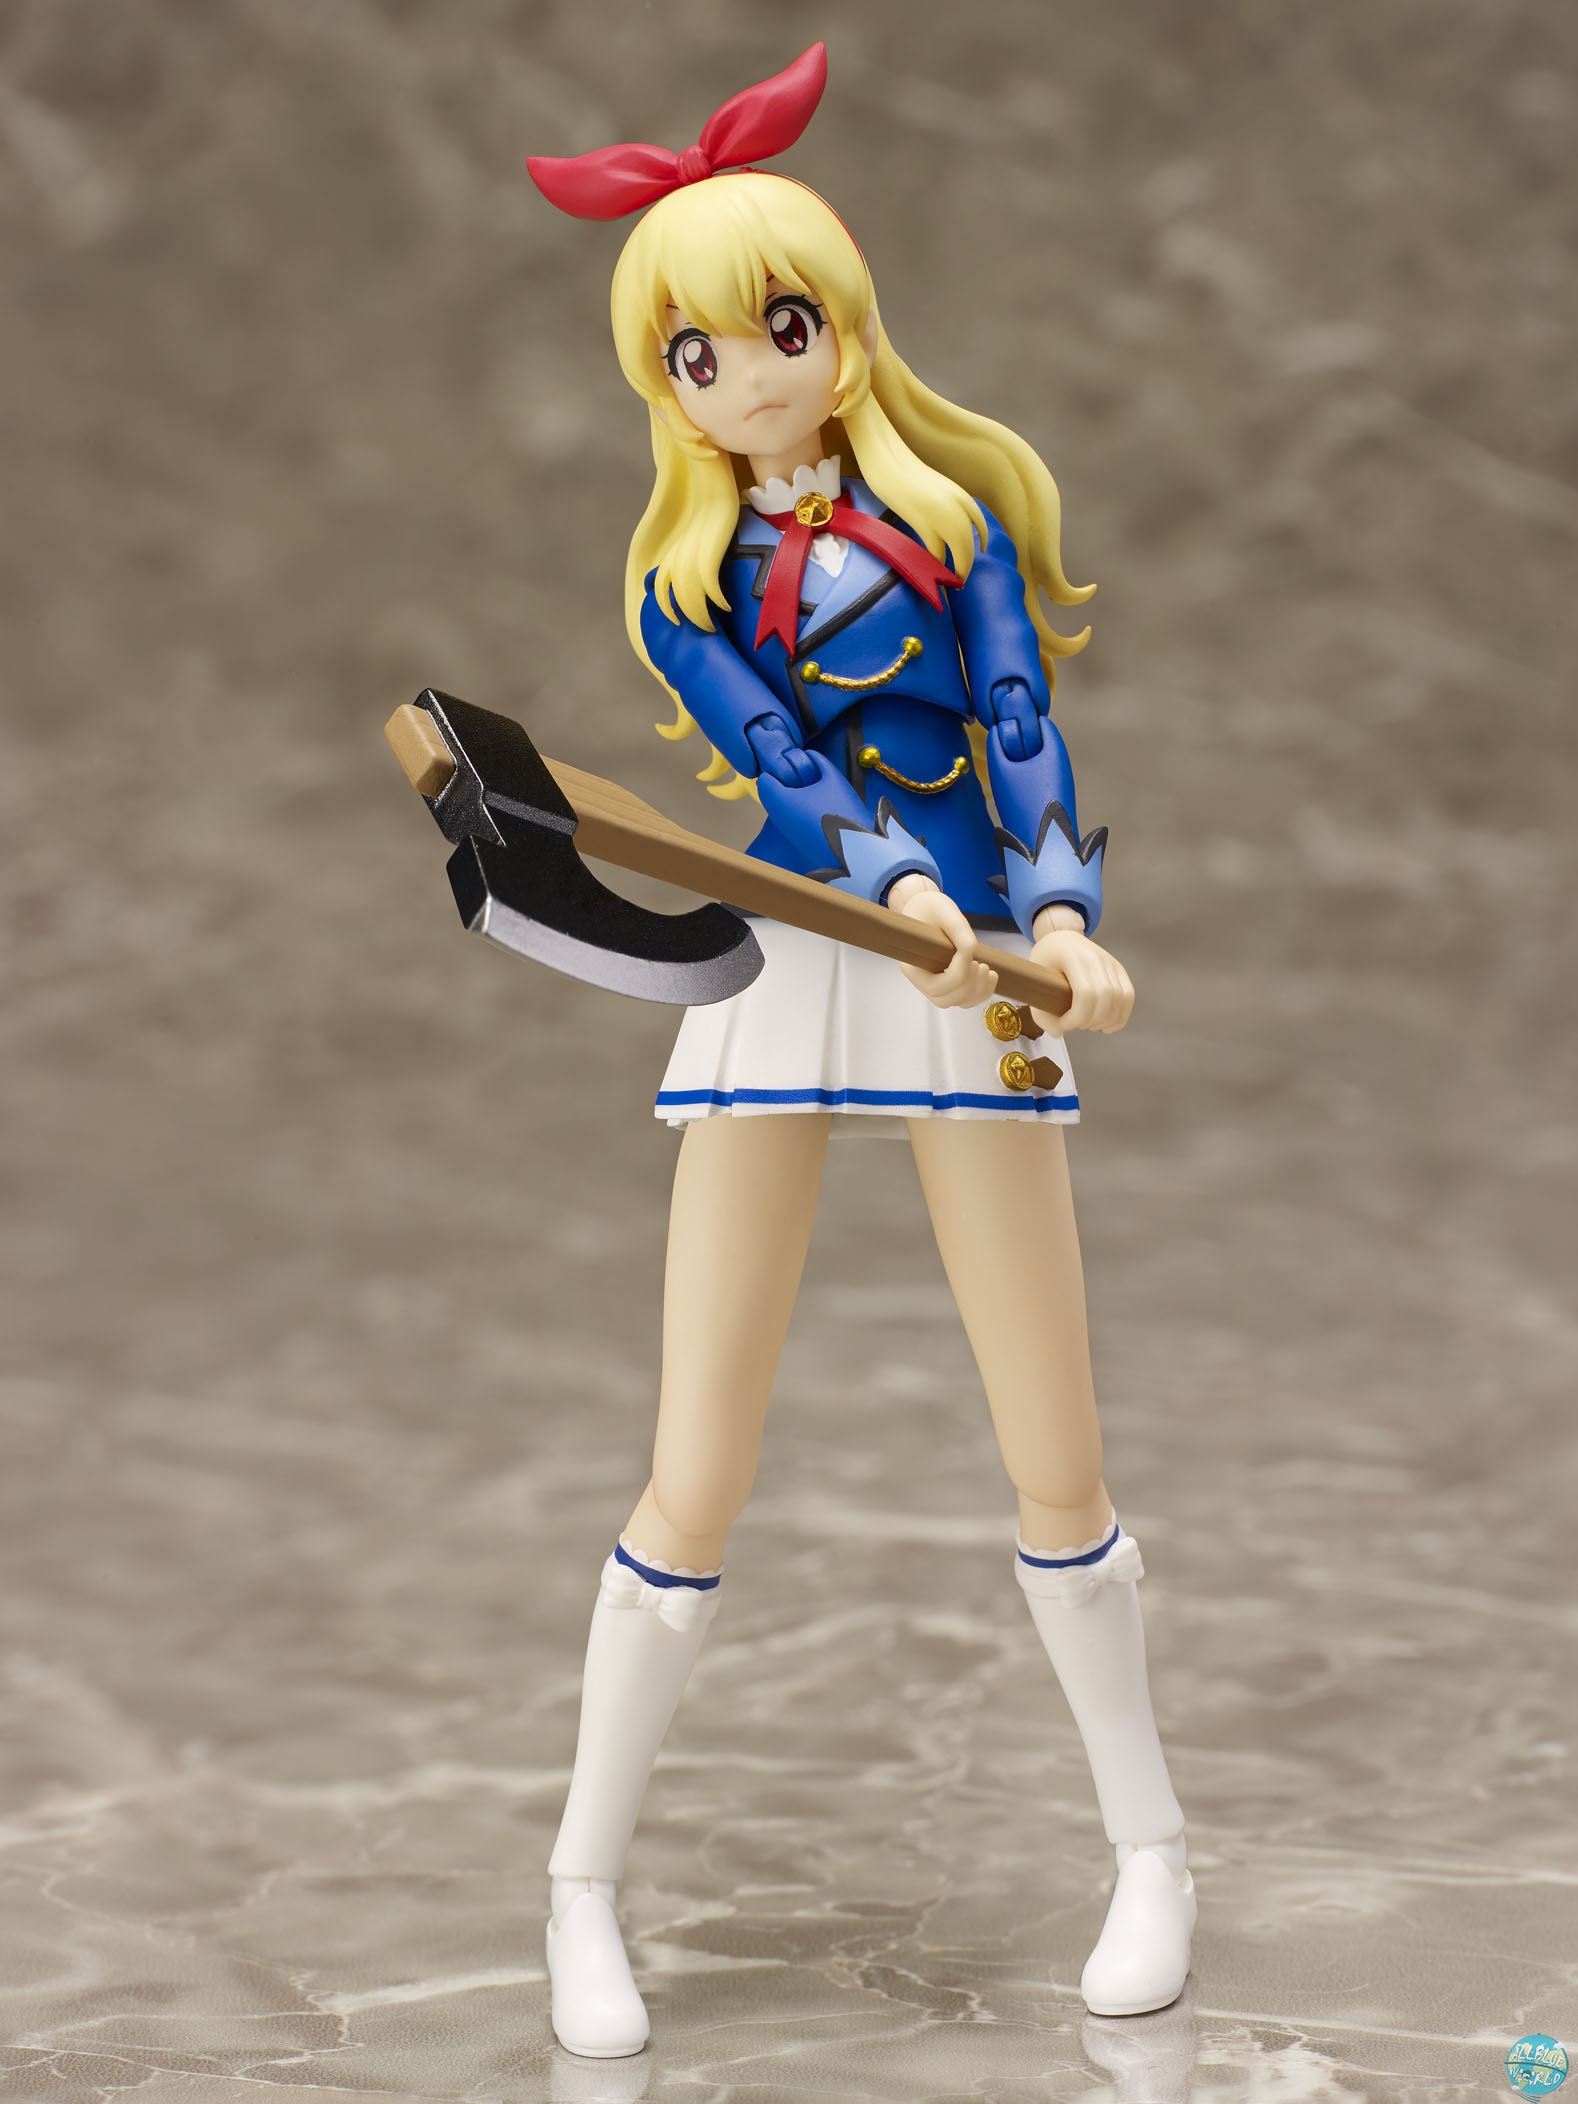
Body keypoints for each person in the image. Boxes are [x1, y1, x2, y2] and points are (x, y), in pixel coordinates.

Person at [525, 45, 1195, 2060]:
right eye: (698, 354)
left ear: (841, 327)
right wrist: (889, 879)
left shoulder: (948, 523)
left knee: (1052, 1443)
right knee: (697, 1459)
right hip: (799, 950)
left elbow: (1022, 722)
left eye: (779, 328)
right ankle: (578, 1881)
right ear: (666, 389)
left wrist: (1053, 914)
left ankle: (1152, 1845)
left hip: (974, 959)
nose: (746, 374)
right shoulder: (683, 583)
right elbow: (777, 759)